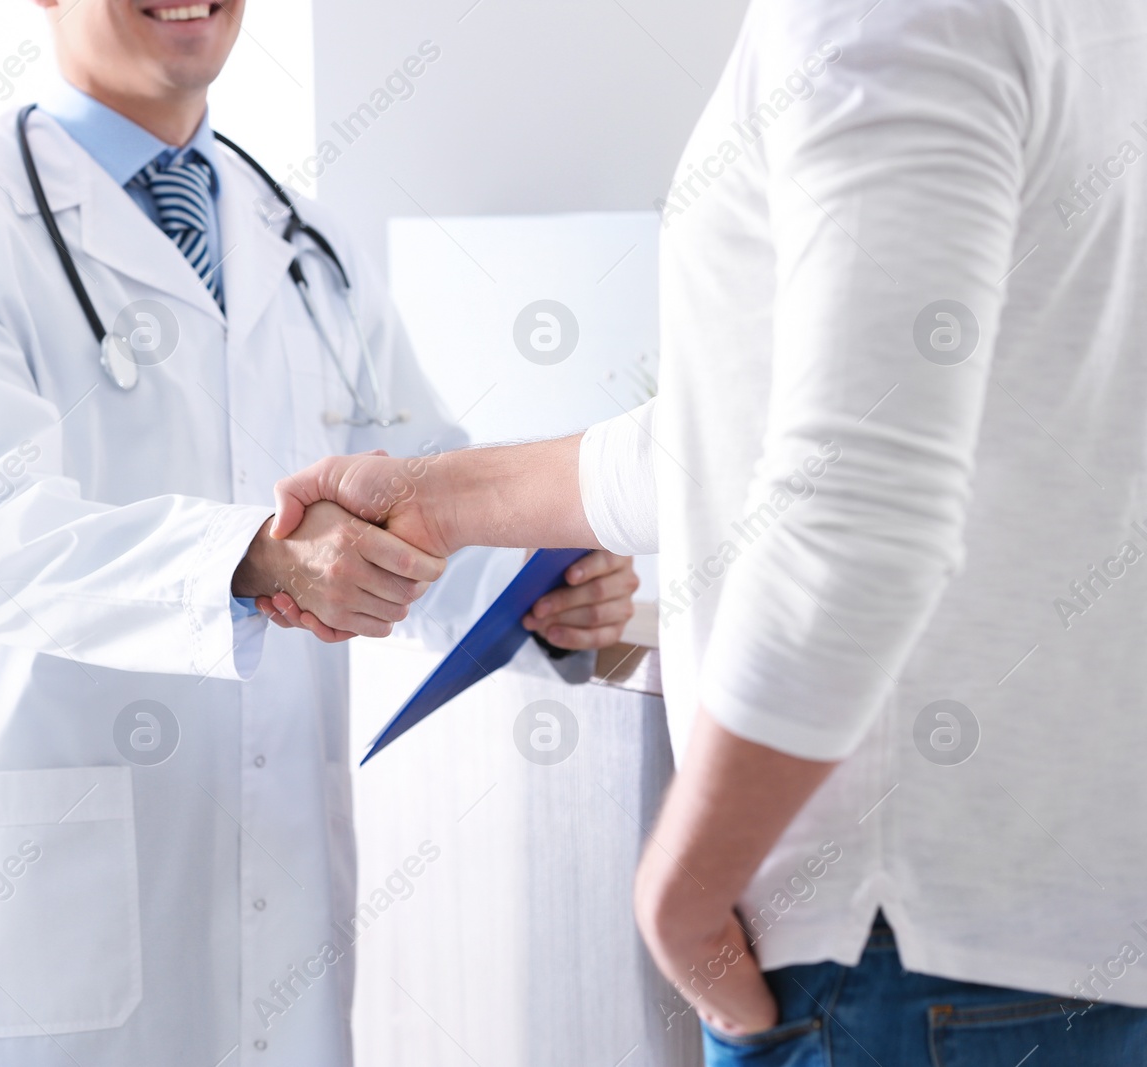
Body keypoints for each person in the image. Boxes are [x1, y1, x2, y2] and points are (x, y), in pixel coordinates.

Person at [272, 0, 1147, 1062]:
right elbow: (748, 433)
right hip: (1056, 924)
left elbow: (856, 503)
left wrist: (679, 898)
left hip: (887, 952)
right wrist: (436, 494)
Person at [0, 1, 637, 1064]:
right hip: (49, 877)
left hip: (281, 871)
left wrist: (538, 595)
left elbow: (420, 484)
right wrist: (252, 556)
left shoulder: (307, 240)